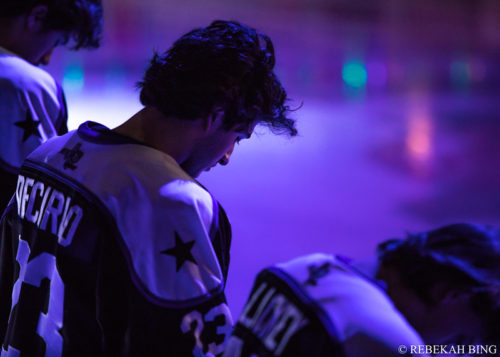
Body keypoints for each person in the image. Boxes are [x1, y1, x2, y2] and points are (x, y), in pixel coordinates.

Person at [0, 20, 297, 355]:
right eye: (236, 138)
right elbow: (189, 347)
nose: (227, 156)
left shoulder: (44, 157)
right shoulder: (172, 202)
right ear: (215, 115)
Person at [225, 223, 500, 356]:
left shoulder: (310, 265)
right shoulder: (393, 343)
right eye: (462, 337)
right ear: (450, 293)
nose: (452, 348)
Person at [0, 0, 103, 212]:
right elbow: (40, 204)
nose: (47, 58)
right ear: (37, 16)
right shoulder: (24, 84)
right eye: (57, 41)